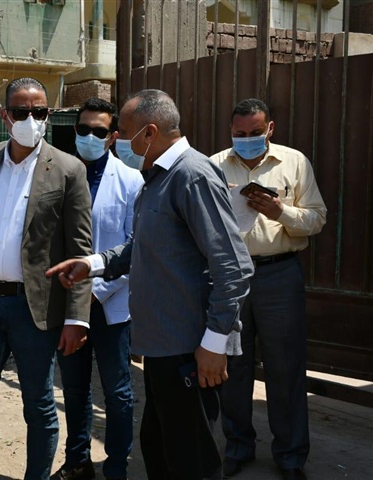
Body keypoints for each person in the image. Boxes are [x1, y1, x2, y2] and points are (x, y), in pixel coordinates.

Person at [46, 89, 254, 480]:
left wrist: (215, 343)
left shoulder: (192, 175)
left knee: (191, 462)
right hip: (162, 347)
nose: (118, 142)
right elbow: (142, 245)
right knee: (160, 452)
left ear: (149, 132)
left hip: (189, 350)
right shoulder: (158, 177)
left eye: (123, 133)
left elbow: (233, 266)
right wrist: (92, 263)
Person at [0, 77, 93, 480]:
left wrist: (77, 318)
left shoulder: (68, 169)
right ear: (5, 116)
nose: (30, 119)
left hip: (35, 309)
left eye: (38, 111)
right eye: (21, 112)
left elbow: (80, 251)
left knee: (38, 405)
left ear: (48, 114)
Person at [211, 99, 326, 480]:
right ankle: (238, 446)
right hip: (230, 278)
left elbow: (317, 218)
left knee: (285, 368)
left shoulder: (294, 162)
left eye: (255, 133)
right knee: (232, 366)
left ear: (270, 129)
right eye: (240, 134)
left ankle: (290, 456)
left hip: (279, 274)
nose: (247, 139)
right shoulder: (214, 165)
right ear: (231, 131)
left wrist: (280, 212)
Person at [51, 98, 143, 480]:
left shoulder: (131, 181)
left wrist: (96, 290)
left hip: (111, 304)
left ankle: (117, 466)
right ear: (75, 131)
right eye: (84, 129)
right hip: (67, 303)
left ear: (113, 136)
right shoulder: (57, 174)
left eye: (99, 131)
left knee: (117, 392)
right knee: (73, 388)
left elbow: (136, 247)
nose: (90, 136)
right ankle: (78, 461)